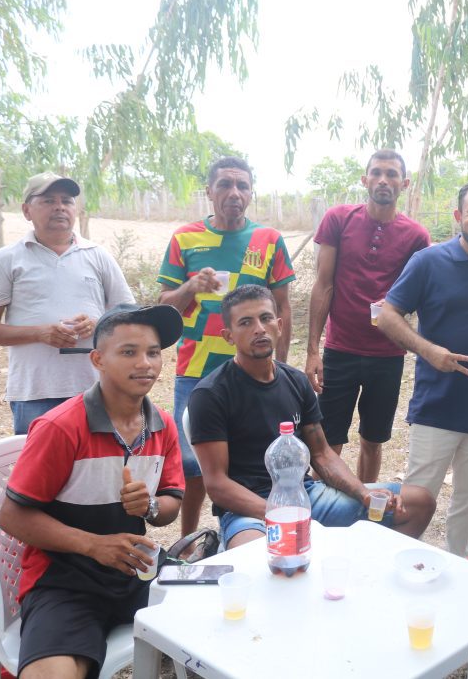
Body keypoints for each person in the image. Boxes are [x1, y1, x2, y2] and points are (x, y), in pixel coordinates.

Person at [0, 304, 185, 679]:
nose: (145, 363)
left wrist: (149, 506)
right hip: (65, 581)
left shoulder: (161, 425)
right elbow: (12, 517)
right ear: (98, 359)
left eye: (153, 353)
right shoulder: (61, 427)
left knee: (223, 616)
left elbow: (171, 505)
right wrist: (93, 545)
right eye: (128, 352)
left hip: (135, 571)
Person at [187, 285, 435, 549]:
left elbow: (322, 454)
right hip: (248, 511)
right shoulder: (211, 394)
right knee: (254, 552)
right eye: (245, 322)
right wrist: (280, 514)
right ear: (228, 336)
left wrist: (363, 493)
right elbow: (217, 485)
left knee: (418, 503)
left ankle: (366, 568)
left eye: (266, 318)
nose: (259, 329)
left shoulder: (295, 381)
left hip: (305, 495)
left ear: (279, 326)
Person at [378, 179, 468, 556]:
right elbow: (386, 314)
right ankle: (403, 568)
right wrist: (428, 351)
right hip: (436, 405)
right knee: (415, 500)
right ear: (459, 215)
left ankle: (459, 571)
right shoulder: (428, 261)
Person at [157, 156, 296, 538]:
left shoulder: (269, 239)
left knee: (255, 455)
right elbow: (164, 307)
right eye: (225, 185)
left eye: (242, 186)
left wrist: (281, 366)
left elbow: (282, 307)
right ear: (209, 191)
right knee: (193, 464)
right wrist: (190, 287)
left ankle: (250, 530)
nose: (234, 193)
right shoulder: (184, 238)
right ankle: (188, 540)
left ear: (251, 193)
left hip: (255, 371)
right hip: (197, 369)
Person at [0, 172, 135, 434]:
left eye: (67, 201)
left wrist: (98, 325)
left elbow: (130, 315)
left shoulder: (98, 256)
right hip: (35, 393)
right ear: (27, 211)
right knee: (40, 461)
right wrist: (40, 333)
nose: (60, 207)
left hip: (97, 390)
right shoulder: (8, 259)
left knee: (99, 460)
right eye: (48, 200)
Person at [305, 150, 430, 483]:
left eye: (391, 174)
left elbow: (418, 292)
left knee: (373, 441)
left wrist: (400, 306)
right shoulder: (338, 219)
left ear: (404, 184)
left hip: (387, 354)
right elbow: (323, 285)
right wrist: (313, 351)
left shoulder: (416, 236)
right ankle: (324, 506)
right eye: (376, 173)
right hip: (339, 350)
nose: (383, 180)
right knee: (328, 443)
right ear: (365, 180)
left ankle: (365, 505)